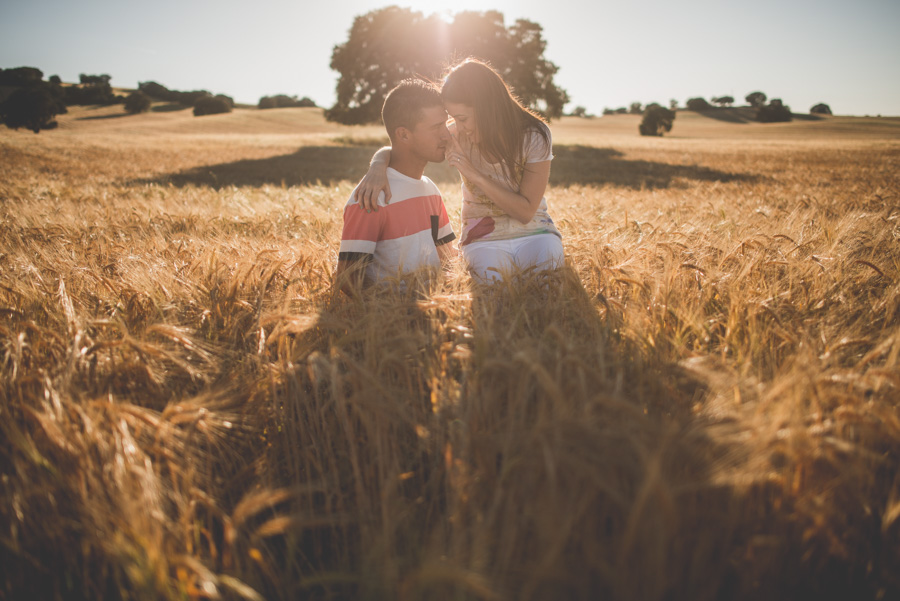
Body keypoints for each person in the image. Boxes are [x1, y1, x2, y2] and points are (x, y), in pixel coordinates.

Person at [354, 58, 563, 283]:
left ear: (487, 109)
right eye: (454, 119)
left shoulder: (534, 136)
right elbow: (406, 143)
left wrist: (473, 174)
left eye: (462, 118)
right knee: (492, 295)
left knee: (547, 288)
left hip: (537, 234)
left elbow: (526, 212)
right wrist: (377, 165)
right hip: (483, 240)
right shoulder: (457, 134)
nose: (457, 127)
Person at [335, 79, 457, 296]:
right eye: (437, 127)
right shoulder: (370, 197)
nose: (446, 135)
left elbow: (447, 258)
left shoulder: (431, 190)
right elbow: (348, 279)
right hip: (395, 325)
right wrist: (399, 314)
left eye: (445, 124)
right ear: (403, 135)